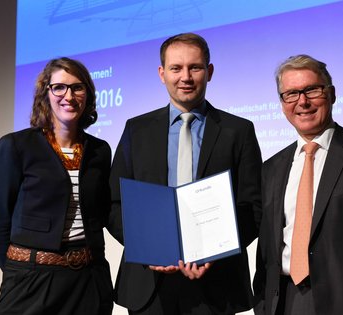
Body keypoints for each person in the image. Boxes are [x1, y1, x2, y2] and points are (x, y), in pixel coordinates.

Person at [108, 33, 262, 314]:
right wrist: (147, 247)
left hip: (217, 284)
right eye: (176, 68)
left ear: (210, 71)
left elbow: (253, 207)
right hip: (149, 284)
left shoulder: (239, 131)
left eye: (195, 67)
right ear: (161, 73)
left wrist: (215, 251)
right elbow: (114, 203)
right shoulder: (136, 130)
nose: (186, 77)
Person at [253, 54, 343, 315]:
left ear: (331, 94)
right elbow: (267, 249)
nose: (302, 101)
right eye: (290, 94)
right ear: (282, 104)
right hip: (284, 301)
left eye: (311, 90)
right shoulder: (271, 168)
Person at [0, 57, 114, 314]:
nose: (69, 95)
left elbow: (103, 212)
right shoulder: (16, 146)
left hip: (87, 282)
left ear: (87, 94)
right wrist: (19, 271)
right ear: (46, 93)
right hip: (31, 283)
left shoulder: (100, 150)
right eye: (59, 87)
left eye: (78, 87)